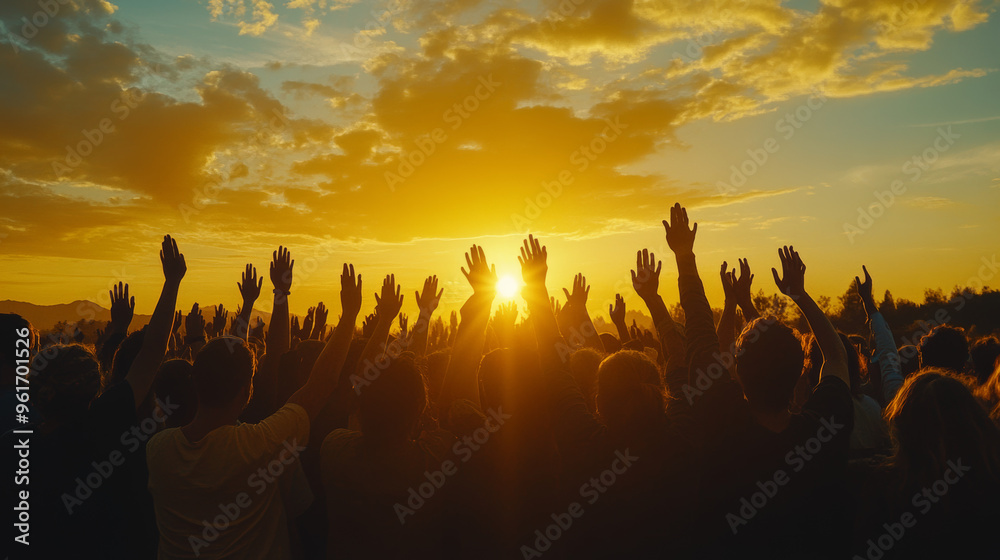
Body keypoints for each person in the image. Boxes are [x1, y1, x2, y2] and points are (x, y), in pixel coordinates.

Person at [146, 251, 361, 559]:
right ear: (246, 392)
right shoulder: (260, 444)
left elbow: (237, 362)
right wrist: (349, 316)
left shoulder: (158, 449)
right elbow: (320, 384)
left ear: (196, 382)